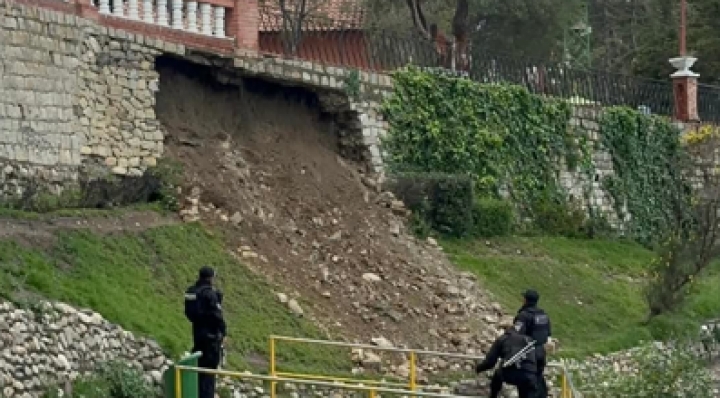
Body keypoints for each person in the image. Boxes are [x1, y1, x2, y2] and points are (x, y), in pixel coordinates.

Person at [184, 266, 227, 398]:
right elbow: (217, 315)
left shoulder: (191, 292)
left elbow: (189, 313)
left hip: (197, 334)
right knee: (208, 375)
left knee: (199, 369)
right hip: (211, 338)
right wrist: (223, 332)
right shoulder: (209, 294)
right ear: (210, 278)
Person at [475, 317, 539, 398]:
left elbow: (490, 362)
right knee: (526, 387)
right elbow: (539, 359)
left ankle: (493, 395)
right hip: (530, 374)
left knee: (498, 375)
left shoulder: (503, 339)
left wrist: (479, 368)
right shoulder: (529, 340)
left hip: (510, 372)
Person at [513, 289, 551, 398]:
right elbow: (547, 334)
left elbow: (516, 335)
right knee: (538, 380)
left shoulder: (524, 316)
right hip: (541, 353)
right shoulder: (543, 315)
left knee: (526, 385)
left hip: (528, 354)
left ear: (525, 300)